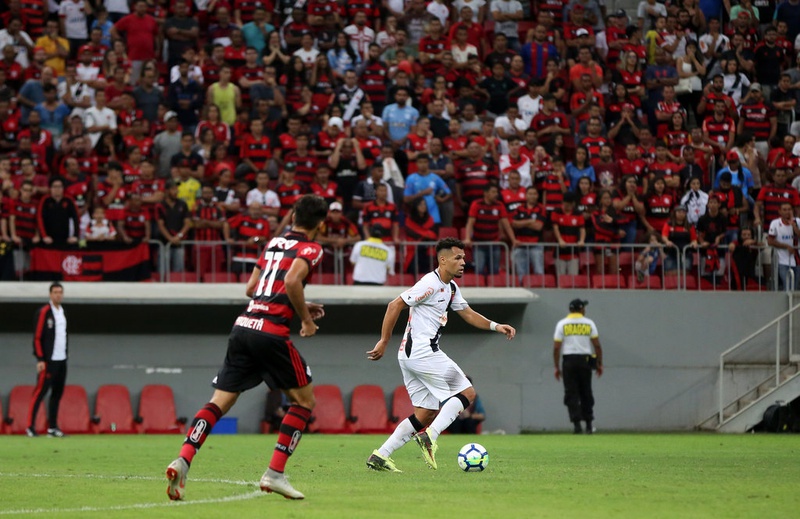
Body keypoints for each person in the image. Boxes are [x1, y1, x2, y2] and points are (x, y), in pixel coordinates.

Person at [165, 194, 329, 501]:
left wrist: (300, 302)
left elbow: (253, 288)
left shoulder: (274, 243)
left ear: (292, 216)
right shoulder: (312, 247)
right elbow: (292, 280)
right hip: (271, 333)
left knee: (220, 401)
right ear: (322, 223)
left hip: (243, 327)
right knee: (304, 402)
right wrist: (305, 319)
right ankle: (275, 474)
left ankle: (183, 459)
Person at [365, 237, 516, 472]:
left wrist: (497, 326)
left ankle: (380, 455)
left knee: (425, 413)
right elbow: (394, 305)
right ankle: (430, 436)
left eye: (464, 257)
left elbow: (468, 313)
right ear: (443, 260)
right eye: (458, 257)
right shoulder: (430, 283)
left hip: (410, 355)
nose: (463, 262)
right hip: (422, 352)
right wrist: (384, 340)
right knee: (467, 392)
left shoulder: (451, 287)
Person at [553, 298, 603, 435]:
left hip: (568, 361)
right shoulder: (589, 323)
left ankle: (576, 425)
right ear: (581, 309)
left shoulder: (562, 324)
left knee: (571, 393)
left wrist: (556, 367)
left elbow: (557, 348)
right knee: (586, 392)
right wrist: (600, 363)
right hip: (584, 360)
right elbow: (597, 345)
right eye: (583, 308)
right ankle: (588, 424)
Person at [27, 282, 69, 438]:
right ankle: (30, 427)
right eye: (55, 292)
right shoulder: (44, 312)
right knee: (40, 392)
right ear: (50, 294)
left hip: (61, 360)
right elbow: (37, 337)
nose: (58, 295)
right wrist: (40, 359)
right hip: (48, 361)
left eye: (60, 292)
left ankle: (52, 428)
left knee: (57, 394)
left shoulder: (63, 312)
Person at [767, 201, 800, 291]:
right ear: (780, 211)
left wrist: (795, 227)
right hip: (783, 261)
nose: (787, 212)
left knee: (796, 288)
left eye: (789, 209)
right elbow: (770, 241)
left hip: (798, 260)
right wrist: (785, 246)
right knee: (788, 286)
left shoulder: (798, 221)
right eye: (784, 210)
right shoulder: (775, 223)